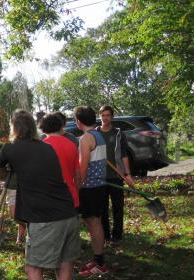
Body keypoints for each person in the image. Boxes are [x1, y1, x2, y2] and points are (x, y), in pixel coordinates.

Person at [0, 110, 79, 280]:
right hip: (69, 213)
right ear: (33, 127)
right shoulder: (47, 147)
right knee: (64, 264)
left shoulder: (10, 147)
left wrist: (12, 168)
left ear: (14, 127)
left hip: (44, 218)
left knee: (33, 268)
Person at [74, 106, 108, 276]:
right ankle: (97, 258)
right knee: (96, 223)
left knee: (93, 224)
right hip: (100, 186)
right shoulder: (99, 135)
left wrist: (77, 186)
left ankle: (100, 263)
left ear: (79, 121)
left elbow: (83, 167)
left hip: (90, 188)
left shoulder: (85, 138)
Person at [97, 106, 134, 246]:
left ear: (112, 117)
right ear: (100, 116)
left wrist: (127, 174)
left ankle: (117, 236)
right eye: (103, 115)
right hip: (100, 177)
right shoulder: (95, 134)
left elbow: (124, 155)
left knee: (118, 207)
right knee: (103, 209)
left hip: (116, 176)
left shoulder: (118, 134)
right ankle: (105, 236)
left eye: (107, 115)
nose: (105, 118)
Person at [39, 113, 81, 209]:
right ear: (60, 126)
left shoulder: (41, 147)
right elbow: (77, 175)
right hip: (71, 198)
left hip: (50, 200)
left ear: (43, 127)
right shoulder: (71, 144)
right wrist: (76, 192)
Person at [5, 171, 26, 244]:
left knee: (22, 213)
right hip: (12, 186)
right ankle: (29, 226)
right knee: (14, 215)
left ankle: (19, 239)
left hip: (26, 185)